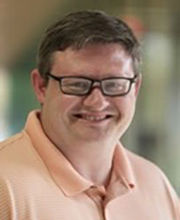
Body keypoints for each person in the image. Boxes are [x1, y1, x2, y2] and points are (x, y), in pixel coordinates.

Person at [0, 10, 179, 220]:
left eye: (114, 84)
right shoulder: (4, 186)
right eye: (77, 84)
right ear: (41, 86)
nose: (97, 101)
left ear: (135, 88)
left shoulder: (156, 184)